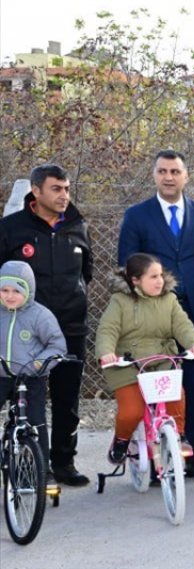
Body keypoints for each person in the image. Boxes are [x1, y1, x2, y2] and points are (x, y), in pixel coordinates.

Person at [117, 150, 194, 481]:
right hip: (153, 314)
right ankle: (155, 458)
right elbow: (127, 266)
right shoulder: (137, 216)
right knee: (155, 384)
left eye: (175, 171)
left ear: (185, 176)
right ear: (154, 176)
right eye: (162, 170)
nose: (168, 176)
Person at [0, 164, 94, 487]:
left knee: (68, 399)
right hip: (25, 332)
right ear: (36, 192)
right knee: (28, 400)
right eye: (56, 189)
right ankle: (28, 465)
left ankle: (64, 462)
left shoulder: (78, 226)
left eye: (67, 189)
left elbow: (87, 273)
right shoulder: (11, 229)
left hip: (69, 328)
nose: (64, 195)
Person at [96, 254, 194, 465]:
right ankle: (121, 440)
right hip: (127, 363)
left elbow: (182, 325)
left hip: (161, 357)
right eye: (153, 277)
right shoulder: (119, 301)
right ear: (135, 280)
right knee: (132, 411)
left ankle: (178, 436)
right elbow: (107, 329)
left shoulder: (169, 299)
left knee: (176, 395)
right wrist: (106, 352)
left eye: (161, 276)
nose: (160, 281)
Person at [0, 261, 68, 467]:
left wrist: (40, 363)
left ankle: (41, 469)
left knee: (35, 421)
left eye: (16, 291)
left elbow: (57, 346)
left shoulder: (40, 315)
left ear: (29, 290)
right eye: (4, 290)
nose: (9, 296)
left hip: (30, 377)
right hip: (1, 376)